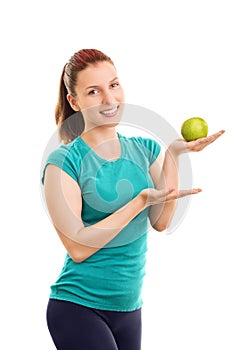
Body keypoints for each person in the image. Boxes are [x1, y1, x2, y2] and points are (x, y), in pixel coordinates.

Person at [42, 48, 224, 350]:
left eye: (114, 85)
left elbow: (161, 222)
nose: (110, 99)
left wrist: (174, 154)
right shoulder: (63, 162)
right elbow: (77, 247)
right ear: (75, 102)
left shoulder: (145, 150)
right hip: (77, 307)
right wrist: (138, 201)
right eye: (93, 91)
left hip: (129, 310)